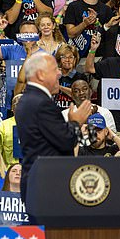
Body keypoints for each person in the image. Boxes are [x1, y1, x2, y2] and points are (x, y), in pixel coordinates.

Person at [16, 52, 91, 202]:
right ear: (41, 75)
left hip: (38, 182)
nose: (59, 73)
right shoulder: (41, 103)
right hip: (47, 184)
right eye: (55, 69)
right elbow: (66, 141)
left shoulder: (28, 99)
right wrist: (76, 122)